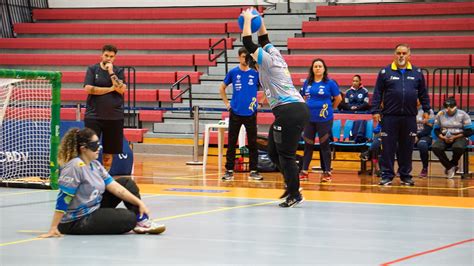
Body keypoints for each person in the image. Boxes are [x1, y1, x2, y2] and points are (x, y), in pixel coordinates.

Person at [241, 8, 309, 207]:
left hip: (290, 111)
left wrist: (246, 20)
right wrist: (259, 20)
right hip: (292, 111)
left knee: (285, 154)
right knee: (272, 151)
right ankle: (292, 184)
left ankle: (295, 193)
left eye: (252, 63)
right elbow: (263, 39)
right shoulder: (275, 54)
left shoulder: (268, 62)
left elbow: (248, 42)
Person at [40, 128, 165, 237]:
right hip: (76, 220)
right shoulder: (74, 167)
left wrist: (139, 203)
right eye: (94, 145)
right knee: (128, 218)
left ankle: (142, 221)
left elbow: (116, 188)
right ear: (83, 148)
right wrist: (54, 227)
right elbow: (64, 198)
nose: (98, 149)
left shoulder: (95, 164)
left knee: (126, 183)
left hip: (94, 206)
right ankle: (135, 220)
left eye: (99, 145)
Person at [371, 43, 430, 186]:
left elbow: (423, 93)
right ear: (394, 54)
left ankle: (405, 175)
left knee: (407, 148)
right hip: (389, 117)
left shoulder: (417, 72)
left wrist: (427, 110)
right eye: (398, 53)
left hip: (409, 117)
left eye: (404, 53)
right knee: (388, 148)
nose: (401, 56)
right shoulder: (385, 72)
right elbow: (378, 93)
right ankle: (387, 175)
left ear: (409, 55)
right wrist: (375, 111)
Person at [219, 47, 262, 181]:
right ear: (239, 57)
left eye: (248, 57)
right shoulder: (233, 72)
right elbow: (222, 88)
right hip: (236, 112)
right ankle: (229, 170)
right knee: (232, 142)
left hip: (250, 113)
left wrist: (260, 103)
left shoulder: (255, 74)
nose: (246, 59)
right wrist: (227, 104)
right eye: (244, 56)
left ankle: (254, 170)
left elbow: (267, 88)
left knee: (253, 142)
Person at [83, 44, 126, 171]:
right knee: (90, 148)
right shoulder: (92, 69)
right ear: (101, 55)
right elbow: (89, 89)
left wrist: (111, 72)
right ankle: (89, 175)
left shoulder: (118, 71)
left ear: (115, 58)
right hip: (94, 116)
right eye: (106, 55)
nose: (108, 59)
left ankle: (105, 177)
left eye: (111, 57)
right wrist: (110, 89)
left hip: (114, 117)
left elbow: (121, 90)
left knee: (109, 152)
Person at [299, 58, 342, 182]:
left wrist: (331, 108)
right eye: (315, 66)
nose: (317, 68)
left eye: (320, 66)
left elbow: (338, 98)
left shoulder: (330, 83)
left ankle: (327, 172)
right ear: (312, 69)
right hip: (309, 119)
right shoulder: (307, 82)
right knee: (308, 145)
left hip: (324, 119)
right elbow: (303, 97)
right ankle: (304, 171)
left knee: (324, 145)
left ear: (324, 69)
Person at [432, 97, 473, 179]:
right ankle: (450, 167)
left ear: (455, 107)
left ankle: (453, 163)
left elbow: (469, 131)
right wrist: (443, 138)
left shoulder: (463, 114)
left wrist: (454, 137)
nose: (449, 110)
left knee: (458, 147)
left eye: (451, 108)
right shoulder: (440, 114)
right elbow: (436, 130)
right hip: (444, 136)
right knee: (436, 147)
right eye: (447, 108)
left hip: (459, 136)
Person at [415, 101, 435, 178]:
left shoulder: (428, 111)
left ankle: (424, 168)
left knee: (422, 144)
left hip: (425, 135)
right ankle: (402, 168)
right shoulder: (408, 109)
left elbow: (429, 127)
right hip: (411, 134)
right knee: (399, 144)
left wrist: (418, 135)